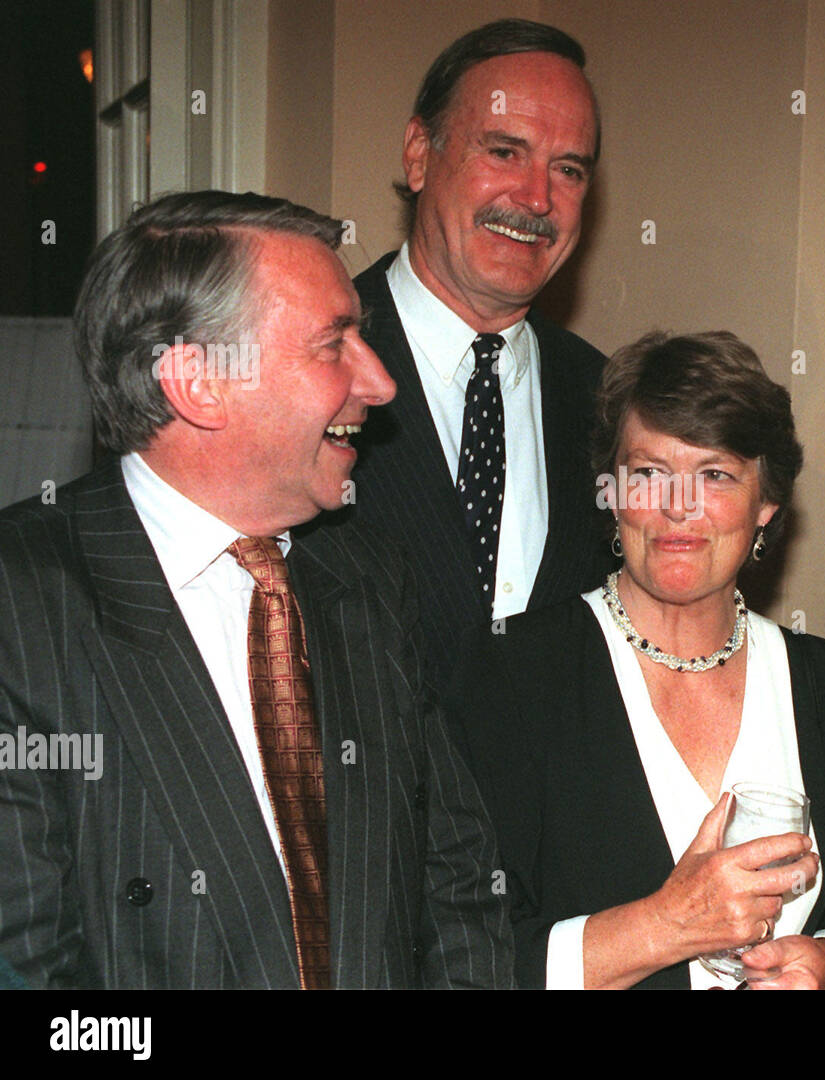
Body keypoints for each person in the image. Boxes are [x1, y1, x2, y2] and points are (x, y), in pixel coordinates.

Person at [0, 191, 513, 989]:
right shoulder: (23, 602)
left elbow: (457, 884)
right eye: (332, 345)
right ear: (199, 383)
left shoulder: (369, 576)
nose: (378, 383)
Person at [443, 332, 825, 989]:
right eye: (649, 473)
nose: (678, 507)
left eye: (715, 475)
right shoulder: (506, 677)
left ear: (766, 503)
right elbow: (465, 953)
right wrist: (665, 925)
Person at [337, 18, 611, 689]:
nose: (537, 198)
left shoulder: (609, 399)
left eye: (567, 169)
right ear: (419, 154)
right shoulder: (306, 363)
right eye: (504, 152)